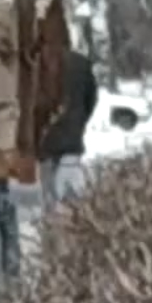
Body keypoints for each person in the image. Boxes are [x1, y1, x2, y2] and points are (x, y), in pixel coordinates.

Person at [39, 45, 99, 209]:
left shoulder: (37, 61)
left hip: (45, 139)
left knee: (47, 189)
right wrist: (80, 122)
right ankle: (71, 223)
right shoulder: (81, 63)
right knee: (70, 190)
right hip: (71, 139)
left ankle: (51, 223)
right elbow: (91, 99)